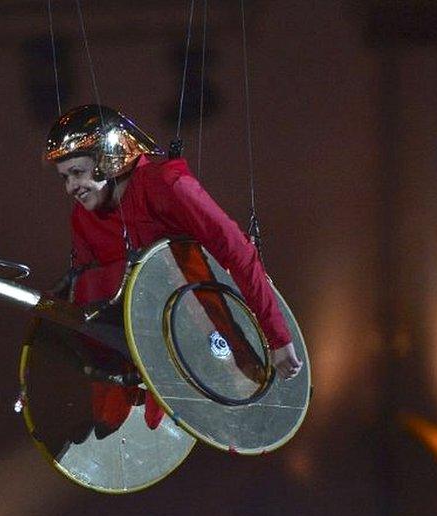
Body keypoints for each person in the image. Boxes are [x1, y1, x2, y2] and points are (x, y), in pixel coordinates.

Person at [43, 104, 303, 434]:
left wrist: (277, 337)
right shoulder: (83, 218)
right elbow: (92, 299)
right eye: (64, 178)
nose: (70, 188)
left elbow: (239, 254)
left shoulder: (168, 185)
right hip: (146, 346)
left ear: (108, 159)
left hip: (209, 331)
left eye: (77, 173)